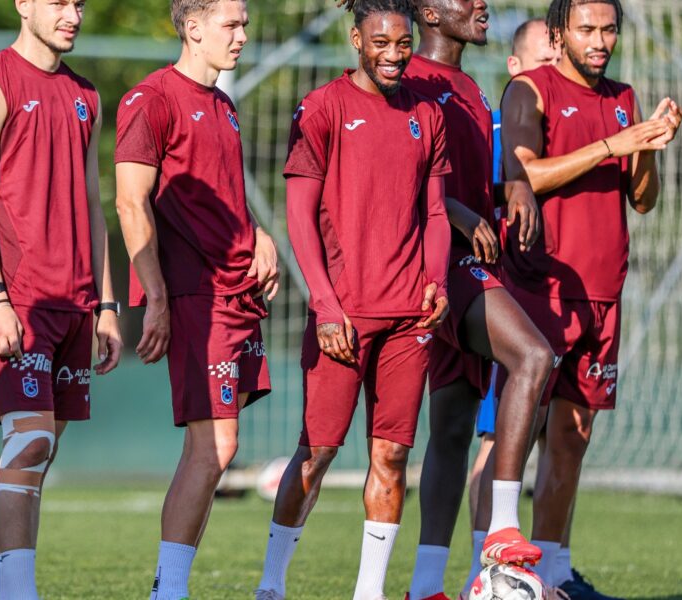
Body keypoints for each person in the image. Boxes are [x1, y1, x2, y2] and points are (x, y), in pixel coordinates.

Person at [255, 1, 451, 598]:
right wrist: (324, 302)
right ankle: (271, 585)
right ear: (356, 41)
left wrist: (437, 280)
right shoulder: (323, 107)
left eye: (403, 43)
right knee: (316, 454)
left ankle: (370, 592)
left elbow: (435, 212)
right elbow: (299, 214)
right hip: (341, 315)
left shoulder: (427, 113)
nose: (393, 54)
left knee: (391, 456)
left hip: (409, 317)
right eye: (380, 42)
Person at [499, 0, 682, 596]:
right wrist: (612, 144)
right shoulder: (531, 88)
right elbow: (524, 175)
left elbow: (643, 200)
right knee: (512, 437)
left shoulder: (623, 97)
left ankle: (553, 573)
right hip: (543, 289)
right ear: (559, 34)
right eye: (587, 29)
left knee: (572, 437)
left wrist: (647, 144)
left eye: (609, 29)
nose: (600, 40)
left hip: (604, 292)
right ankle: (493, 568)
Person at [0, 0, 122, 597]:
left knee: (39, 455)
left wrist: (106, 305)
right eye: (58, 2)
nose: (72, 14)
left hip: (74, 301)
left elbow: (94, 205)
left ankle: (14, 585)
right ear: (23, 5)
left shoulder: (86, 95)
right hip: (16, 296)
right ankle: (15, 592)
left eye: (79, 3)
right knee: (29, 444)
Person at [115, 1, 279, 597]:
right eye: (230, 24)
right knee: (216, 446)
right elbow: (130, 201)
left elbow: (222, 194)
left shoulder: (224, 105)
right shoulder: (152, 98)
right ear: (192, 28)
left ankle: (170, 587)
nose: (242, 35)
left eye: (244, 23)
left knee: (213, 449)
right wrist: (156, 297)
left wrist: (259, 234)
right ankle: (169, 590)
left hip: (237, 292)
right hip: (196, 295)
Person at [400, 2, 556, 599]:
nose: (480, 4)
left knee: (452, 427)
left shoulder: (469, 87)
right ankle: (505, 530)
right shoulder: (408, 79)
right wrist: (461, 217)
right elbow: (401, 175)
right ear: (430, 12)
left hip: (470, 262)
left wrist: (510, 186)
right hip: (438, 263)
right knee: (533, 358)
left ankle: (424, 588)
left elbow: (464, 175)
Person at [466, 13, 560, 555]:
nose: (554, 70)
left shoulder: (565, 123)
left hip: (552, 297)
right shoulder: (499, 128)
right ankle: (482, 569)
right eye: (544, 61)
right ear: (515, 66)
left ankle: (544, 564)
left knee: (545, 436)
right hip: (504, 299)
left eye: (558, 61)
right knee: (495, 442)